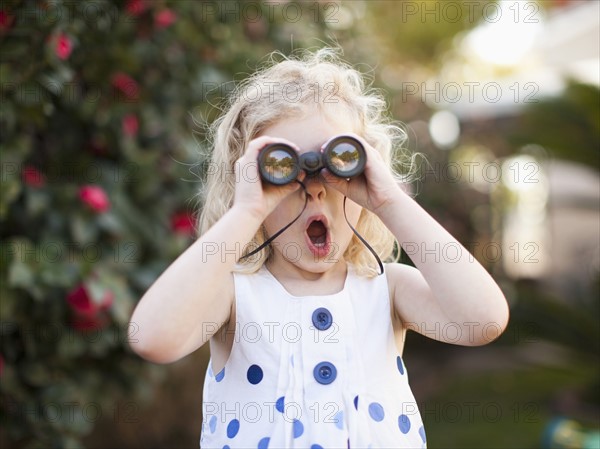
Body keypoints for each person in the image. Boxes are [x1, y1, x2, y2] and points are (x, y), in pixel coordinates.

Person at [128, 48, 510, 449]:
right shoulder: (235, 296)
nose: (314, 188)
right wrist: (246, 211)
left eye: (342, 161)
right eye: (281, 171)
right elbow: (153, 337)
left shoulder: (388, 288)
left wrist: (390, 202)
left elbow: (482, 321)